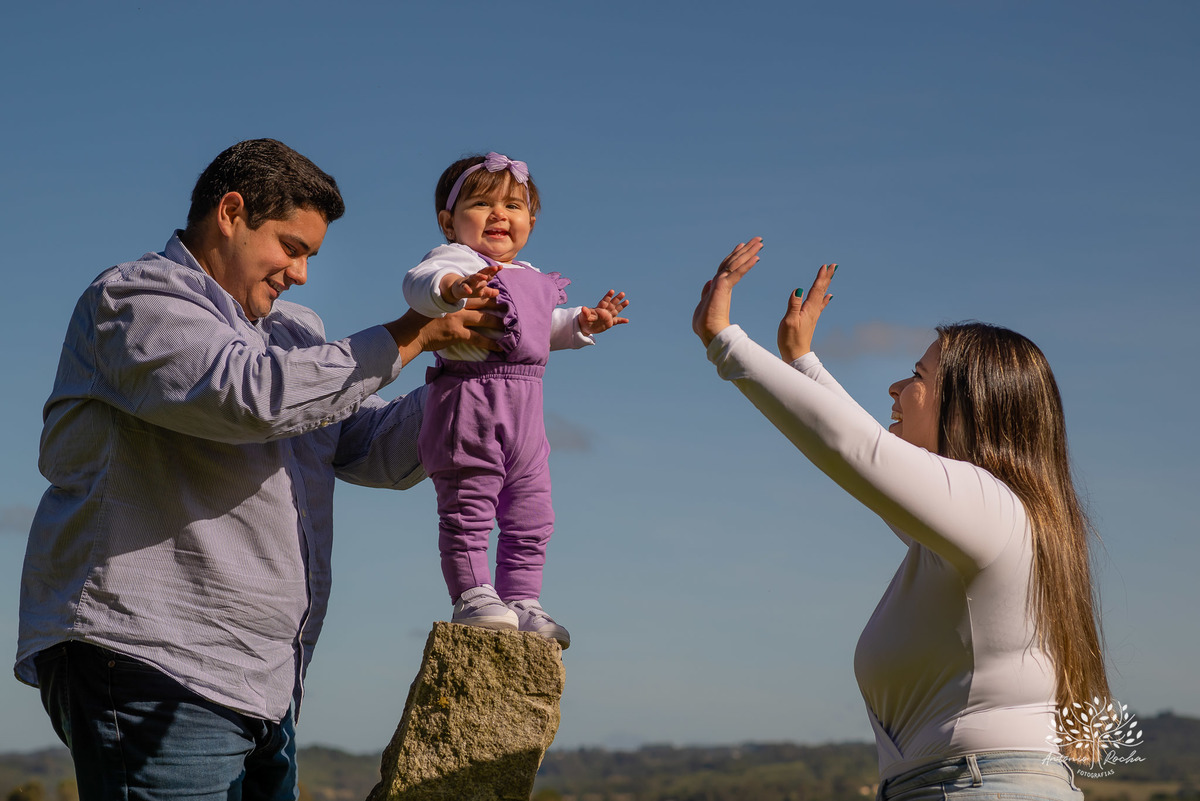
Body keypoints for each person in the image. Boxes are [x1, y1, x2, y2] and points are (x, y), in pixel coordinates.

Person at [14, 138, 503, 800]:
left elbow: (376, 447)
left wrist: (478, 370)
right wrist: (413, 333)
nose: (301, 274)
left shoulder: (295, 333)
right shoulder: (134, 299)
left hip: (265, 684)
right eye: (292, 247)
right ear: (231, 212)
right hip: (153, 659)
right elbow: (246, 395)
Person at [692, 238, 1109, 800]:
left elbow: (856, 450)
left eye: (916, 376)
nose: (895, 388)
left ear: (967, 405)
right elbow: (869, 458)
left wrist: (726, 342)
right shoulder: (997, 519)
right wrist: (802, 362)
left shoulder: (988, 506)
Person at [402, 152, 630, 648]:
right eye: (481, 203)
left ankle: (523, 598)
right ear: (448, 221)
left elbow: (542, 329)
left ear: (531, 220)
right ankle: (473, 593)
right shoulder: (455, 262)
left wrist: (583, 324)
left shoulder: (530, 275)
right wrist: (450, 289)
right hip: (470, 399)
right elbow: (418, 288)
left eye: (513, 205)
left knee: (532, 513)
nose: (498, 215)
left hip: (526, 409)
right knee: (469, 505)